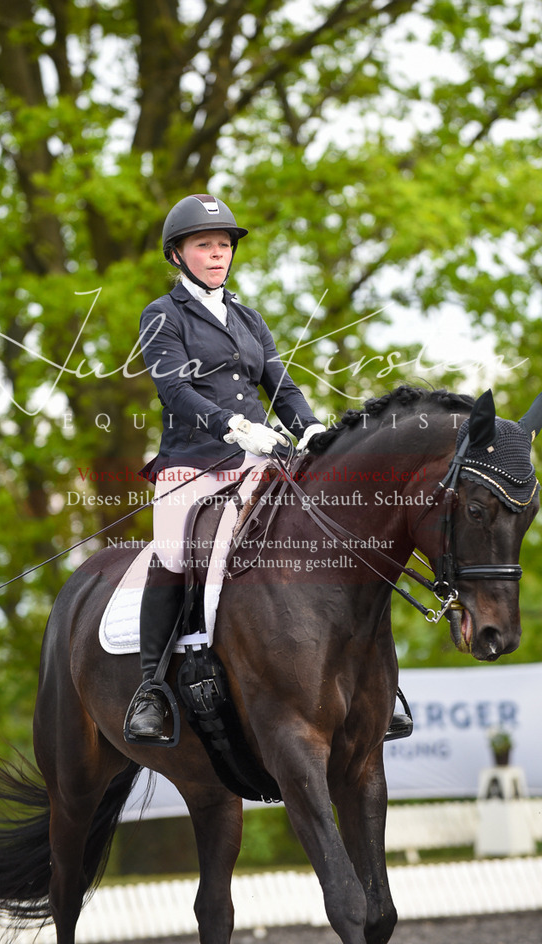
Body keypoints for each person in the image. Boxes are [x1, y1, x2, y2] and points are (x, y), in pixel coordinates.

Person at [124, 193, 325, 741]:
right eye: (203, 245)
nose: (217, 254)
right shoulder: (162, 316)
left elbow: (281, 385)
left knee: (327, 530)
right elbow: (174, 390)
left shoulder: (248, 317)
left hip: (262, 459)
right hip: (192, 463)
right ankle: (151, 689)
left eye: (223, 245)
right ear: (177, 255)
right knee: (173, 553)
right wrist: (232, 426)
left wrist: (310, 429)